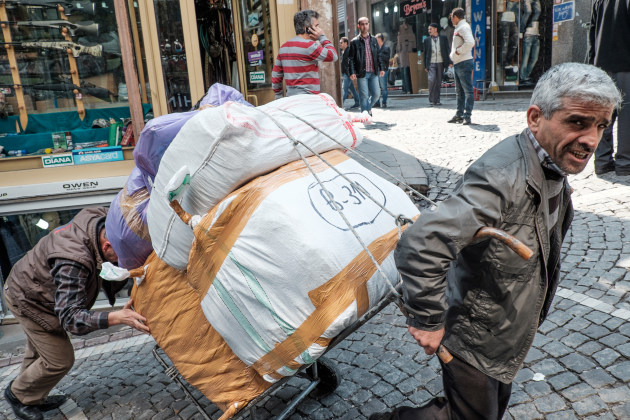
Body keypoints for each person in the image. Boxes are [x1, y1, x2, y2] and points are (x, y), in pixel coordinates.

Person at [370, 63, 621, 420]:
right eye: (578, 122)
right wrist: (427, 320)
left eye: (601, 125)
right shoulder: (502, 176)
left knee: (485, 409)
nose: (593, 140)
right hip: (473, 335)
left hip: (503, 330)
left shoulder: (550, 162)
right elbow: (422, 243)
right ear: (535, 117)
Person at [3, 207, 150, 420]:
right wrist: (115, 317)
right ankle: (18, 395)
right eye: (122, 255)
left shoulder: (103, 218)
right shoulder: (73, 260)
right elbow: (71, 318)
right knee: (59, 359)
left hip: (36, 286)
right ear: (107, 245)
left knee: (41, 349)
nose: (125, 261)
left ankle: (31, 395)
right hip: (27, 299)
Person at [588, 0, 630, 176]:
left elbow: (591, 31)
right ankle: (625, 163)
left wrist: (590, 64)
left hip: (601, 65)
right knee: (627, 117)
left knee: (603, 115)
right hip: (626, 65)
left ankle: (602, 161)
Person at [271, 10, 338, 99]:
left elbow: (276, 75)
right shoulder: (309, 46)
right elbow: (333, 55)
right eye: (316, 26)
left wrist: (278, 97)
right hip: (309, 100)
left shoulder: (283, 48)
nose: (319, 29)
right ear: (307, 29)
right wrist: (322, 37)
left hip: (291, 99)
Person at [348, 17, 386, 116]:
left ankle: (367, 109)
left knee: (377, 94)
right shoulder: (354, 41)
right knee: (364, 96)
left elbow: (379, 55)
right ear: (359, 26)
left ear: (368, 25)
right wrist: (352, 72)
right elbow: (350, 58)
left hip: (373, 72)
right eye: (362, 24)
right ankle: (365, 116)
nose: (364, 26)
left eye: (366, 24)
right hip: (361, 73)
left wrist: (382, 68)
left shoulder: (374, 40)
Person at [447, 8, 475, 125]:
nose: (451, 20)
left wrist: (458, 51)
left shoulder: (463, 27)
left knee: (467, 91)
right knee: (459, 91)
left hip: (463, 62)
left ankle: (467, 116)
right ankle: (459, 115)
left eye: (452, 17)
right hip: (459, 63)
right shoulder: (459, 27)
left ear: (456, 17)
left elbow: (470, 42)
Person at [423, 23, 451, 106]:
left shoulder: (443, 38)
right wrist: (425, 65)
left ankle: (437, 100)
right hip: (431, 62)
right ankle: (431, 99)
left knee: (438, 82)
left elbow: (447, 49)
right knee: (431, 80)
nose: (429, 31)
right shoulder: (427, 40)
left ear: (435, 29)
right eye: (428, 29)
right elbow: (425, 54)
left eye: (430, 29)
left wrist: (449, 62)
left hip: (441, 62)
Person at [340, 36, 360, 109]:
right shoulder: (344, 51)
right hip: (346, 74)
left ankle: (340, 105)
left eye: (341, 43)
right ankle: (358, 102)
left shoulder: (348, 51)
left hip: (347, 74)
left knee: (344, 90)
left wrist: (349, 74)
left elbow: (349, 63)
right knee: (352, 89)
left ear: (346, 43)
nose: (340, 44)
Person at [374, 33, 390, 108]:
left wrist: (379, 54)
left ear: (380, 39)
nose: (375, 39)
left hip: (383, 69)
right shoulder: (375, 48)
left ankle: (384, 102)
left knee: (383, 87)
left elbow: (387, 59)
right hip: (376, 69)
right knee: (376, 87)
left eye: (376, 38)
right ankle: (377, 102)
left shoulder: (386, 48)